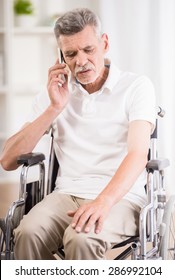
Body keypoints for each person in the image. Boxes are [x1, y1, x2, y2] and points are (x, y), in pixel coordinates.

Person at [0, 8, 156, 260]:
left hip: (121, 198)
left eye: (88, 50)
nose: (81, 61)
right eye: (70, 54)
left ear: (104, 43)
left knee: (81, 238)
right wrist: (54, 107)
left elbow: (138, 154)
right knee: (27, 232)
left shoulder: (136, 87)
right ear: (61, 56)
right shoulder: (56, 93)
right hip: (67, 193)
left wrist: (103, 202)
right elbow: (8, 160)